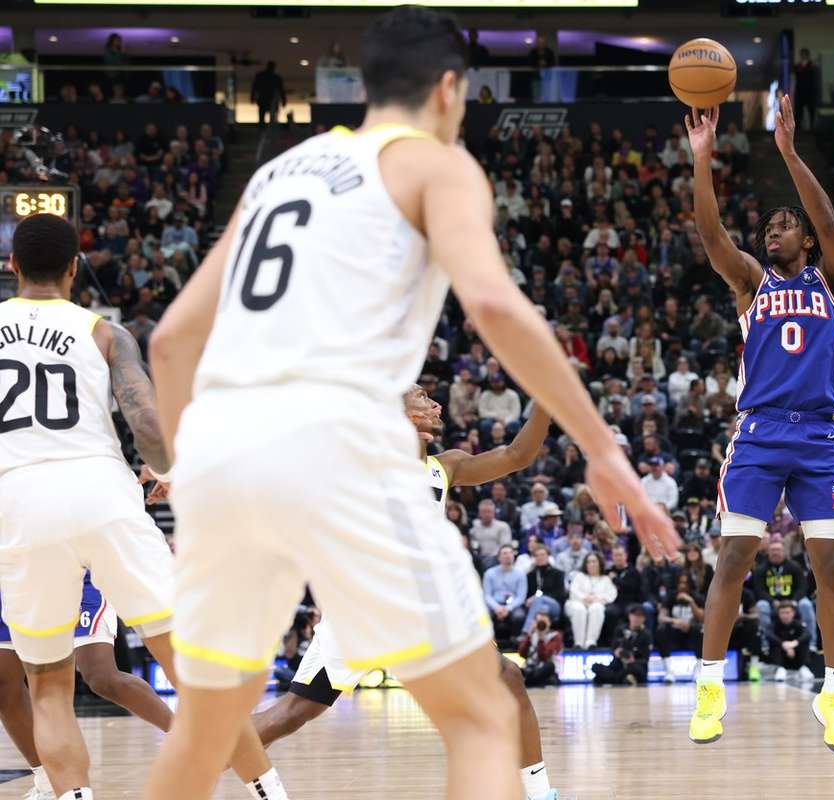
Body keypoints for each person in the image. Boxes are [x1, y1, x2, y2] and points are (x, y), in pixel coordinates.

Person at [143, 8, 677, 800]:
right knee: (480, 717)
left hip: (220, 448)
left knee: (206, 729)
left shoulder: (277, 173)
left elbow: (170, 342)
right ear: (451, 89)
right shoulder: (434, 163)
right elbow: (493, 304)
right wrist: (603, 448)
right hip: (335, 443)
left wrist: (188, 467)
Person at [0, 214, 286, 800]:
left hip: (17, 502)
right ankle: (268, 794)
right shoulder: (105, 332)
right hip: (100, 493)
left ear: (12, 266)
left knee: (48, 684)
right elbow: (149, 423)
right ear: (76, 269)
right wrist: (169, 472)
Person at [251, 386, 567, 800]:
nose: (436, 404)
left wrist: (547, 400)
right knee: (294, 713)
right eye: (422, 398)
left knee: (297, 711)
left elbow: (515, 456)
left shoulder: (443, 466)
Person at [684, 95, 834, 753]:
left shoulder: (833, 279)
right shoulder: (750, 285)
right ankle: (709, 685)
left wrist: (789, 153)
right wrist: (702, 163)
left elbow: (828, 220)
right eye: (768, 225)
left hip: (819, 438)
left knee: (832, 567)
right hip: (759, 435)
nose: (772, 230)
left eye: (784, 225)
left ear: (809, 241)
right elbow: (712, 238)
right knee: (733, 555)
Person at [0, 573, 174, 800]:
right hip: (16, 581)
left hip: (74, 574)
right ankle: (48, 783)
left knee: (101, 677)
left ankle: (188, 737)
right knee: (4, 685)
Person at [565, 552, 616, 649]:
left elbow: (611, 594)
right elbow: (573, 591)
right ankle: (578, 643)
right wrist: (584, 598)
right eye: (588, 562)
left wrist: (598, 599)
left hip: (597, 603)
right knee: (579, 609)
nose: (591, 564)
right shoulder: (579, 576)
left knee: (596, 608)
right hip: (576, 602)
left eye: (594, 561)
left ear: (599, 563)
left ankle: (591, 642)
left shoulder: (605, 579)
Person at [591, 606, 652, 686]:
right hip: (618, 665)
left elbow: (645, 659)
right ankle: (622, 679)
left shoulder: (646, 634)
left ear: (644, 619)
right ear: (630, 616)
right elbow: (613, 647)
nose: (636, 619)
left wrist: (632, 660)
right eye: (635, 616)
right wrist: (616, 652)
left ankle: (616, 679)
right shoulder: (620, 629)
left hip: (635, 666)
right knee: (595, 667)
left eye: (640, 617)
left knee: (634, 670)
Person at [765, 600, 811, 681]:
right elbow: (768, 635)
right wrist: (783, 644)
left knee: (804, 642)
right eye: (782, 613)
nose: (785, 615)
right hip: (781, 655)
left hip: (796, 655)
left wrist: (795, 643)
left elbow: (807, 634)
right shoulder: (774, 624)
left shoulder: (798, 624)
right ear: (778, 614)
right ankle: (780, 669)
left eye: (787, 612)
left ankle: (803, 667)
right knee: (774, 643)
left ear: (793, 613)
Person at [517, 610, 563, 688]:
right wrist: (529, 636)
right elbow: (521, 653)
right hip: (530, 668)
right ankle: (533, 681)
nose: (541, 624)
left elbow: (544, 657)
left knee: (550, 666)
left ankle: (528, 681)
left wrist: (541, 639)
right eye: (539, 621)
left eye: (544, 621)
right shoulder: (532, 635)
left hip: (544, 668)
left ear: (549, 623)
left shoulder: (555, 636)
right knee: (513, 668)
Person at [250, 60, 286, 127]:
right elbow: (281, 90)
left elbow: (254, 88)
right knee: (269, 118)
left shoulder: (261, 76)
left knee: (264, 118)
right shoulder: (275, 78)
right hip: (269, 100)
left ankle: (264, 131)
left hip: (267, 100)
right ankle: (267, 131)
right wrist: (283, 100)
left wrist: (252, 98)